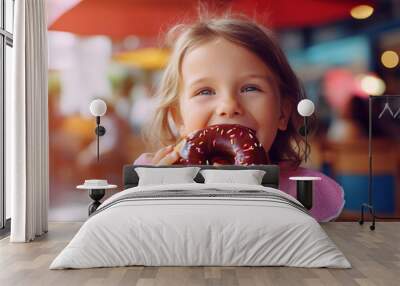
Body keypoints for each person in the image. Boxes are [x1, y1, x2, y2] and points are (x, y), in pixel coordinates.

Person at [134, 15, 344, 222]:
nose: (229, 106)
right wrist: (157, 197)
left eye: (250, 88)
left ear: (282, 112)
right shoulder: (154, 177)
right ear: (178, 117)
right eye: (205, 91)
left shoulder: (303, 189)